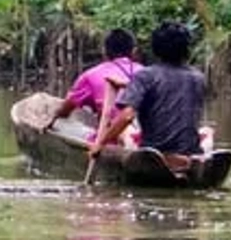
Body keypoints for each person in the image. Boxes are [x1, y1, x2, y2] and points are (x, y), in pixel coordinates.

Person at [97, 22, 206, 164]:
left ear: (156, 48)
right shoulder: (198, 78)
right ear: (186, 49)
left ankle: (169, 161)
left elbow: (127, 117)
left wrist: (101, 144)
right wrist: (127, 85)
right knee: (207, 132)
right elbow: (169, 88)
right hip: (190, 152)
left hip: (154, 154)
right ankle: (191, 163)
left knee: (126, 133)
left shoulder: (145, 76)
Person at [45, 29, 141, 131]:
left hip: (109, 137)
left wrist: (52, 119)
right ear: (133, 51)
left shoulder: (91, 75)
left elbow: (65, 110)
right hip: (146, 136)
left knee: (61, 123)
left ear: (104, 51)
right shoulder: (146, 73)